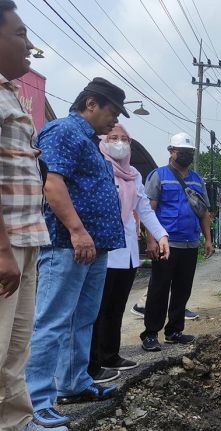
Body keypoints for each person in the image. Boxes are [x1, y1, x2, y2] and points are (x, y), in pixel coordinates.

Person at [25, 78, 129, 428]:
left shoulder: (88, 140)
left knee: (82, 318)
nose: (114, 122)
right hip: (69, 245)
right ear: (90, 103)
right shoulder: (63, 132)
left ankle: (73, 383)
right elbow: (53, 184)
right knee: (52, 320)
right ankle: (36, 400)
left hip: (93, 247)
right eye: (112, 112)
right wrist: (77, 230)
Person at [0, 3, 66, 430]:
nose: (29, 44)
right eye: (21, 33)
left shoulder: (9, 93)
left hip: (26, 240)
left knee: (14, 350)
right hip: (6, 244)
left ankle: (15, 422)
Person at [87, 124, 170, 384]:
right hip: (103, 250)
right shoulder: (98, 167)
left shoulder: (133, 175)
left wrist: (161, 235)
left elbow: (144, 209)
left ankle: (110, 355)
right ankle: (92, 363)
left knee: (115, 307)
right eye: (113, 138)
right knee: (96, 309)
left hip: (127, 253)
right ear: (102, 140)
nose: (120, 143)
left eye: (125, 139)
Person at [139, 132, 213, 352]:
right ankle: (150, 333)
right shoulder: (158, 176)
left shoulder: (198, 180)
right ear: (172, 151)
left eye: (190, 152)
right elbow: (148, 210)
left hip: (190, 243)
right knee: (159, 289)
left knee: (183, 289)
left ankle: (174, 331)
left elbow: (204, 213)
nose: (186, 156)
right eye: (183, 152)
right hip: (166, 245)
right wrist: (150, 241)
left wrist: (207, 239)